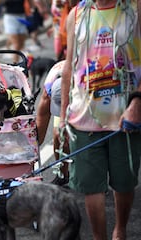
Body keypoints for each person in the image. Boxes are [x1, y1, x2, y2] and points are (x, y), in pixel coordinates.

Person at [61, 0, 141, 239]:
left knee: (124, 182)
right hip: (83, 116)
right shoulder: (76, 15)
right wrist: (63, 118)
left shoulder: (134, 10)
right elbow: (68, 67)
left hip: (125, 117)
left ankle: (121, 229)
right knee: (91, 186)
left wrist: (137, 102)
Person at [36, 60, 69, 186]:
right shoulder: (48, 89)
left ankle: (97, 178)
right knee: (59, 134)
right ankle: (63, 174)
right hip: (61, 87)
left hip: (87, 94)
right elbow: (39, 132)